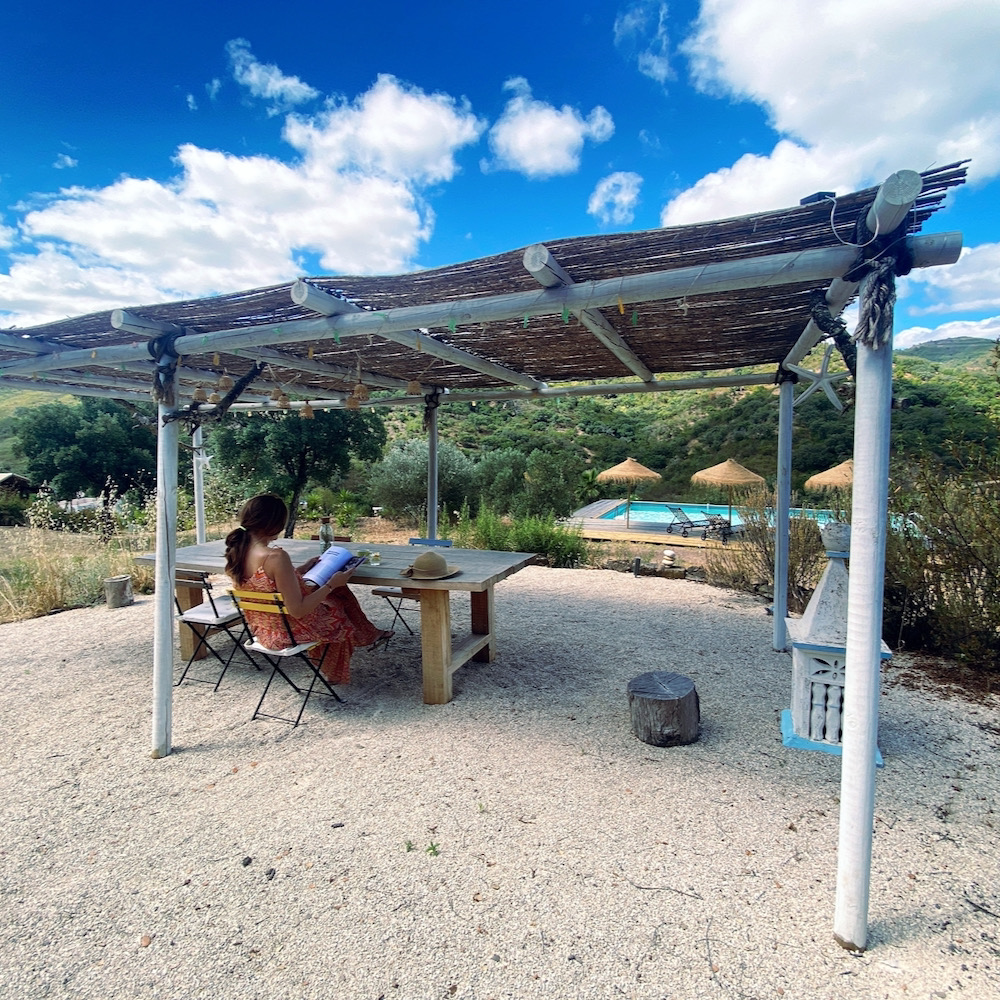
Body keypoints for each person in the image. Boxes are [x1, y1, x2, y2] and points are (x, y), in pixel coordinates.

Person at [224, 493, 391, 685]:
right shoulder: (276, 557)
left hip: (264, 629)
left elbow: (264, 585)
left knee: (337, 594)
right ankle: (338, 665)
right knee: (338, 603)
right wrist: (330, 584)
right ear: (274, 524)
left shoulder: (237, 551)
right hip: (289, 633)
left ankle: (369, 634)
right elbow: (298, 610)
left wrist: (300, 570)